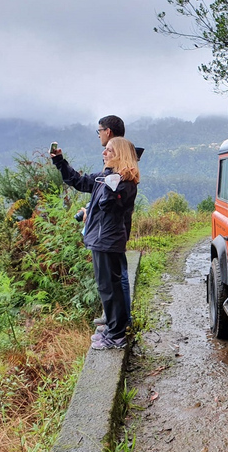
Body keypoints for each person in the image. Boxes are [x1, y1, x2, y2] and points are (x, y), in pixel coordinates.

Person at [51, 137, 140, 350]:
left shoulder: (124, 183)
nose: (104, 153)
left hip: (108, 239)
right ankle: (112, 328)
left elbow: (109, 206)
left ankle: (116, 336)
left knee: (110, 287)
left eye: (109, 151)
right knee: (107, 286)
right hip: (102, 239)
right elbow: (78, 181)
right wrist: (60, 161)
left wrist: (110, 188)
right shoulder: (105, 177)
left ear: (119, 154)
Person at [89, 115, 144, 328]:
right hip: (115, 231)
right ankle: (118, 318)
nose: (99, 136)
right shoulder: (119, 167)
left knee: (116, 277)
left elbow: (112, 204)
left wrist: (107, 194)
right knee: (116, 276)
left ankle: (120, 321)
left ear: (108, 132)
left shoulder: (120, 175)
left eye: (99, 131)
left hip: (112, 232)